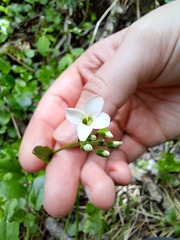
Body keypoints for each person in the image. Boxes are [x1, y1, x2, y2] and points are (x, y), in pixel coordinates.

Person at [19, 0, 180, 218]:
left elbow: (93, 111)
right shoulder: (84, 119)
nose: (85, 122)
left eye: (86, 121)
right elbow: (80, 118)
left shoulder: (93, 118)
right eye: (85, 121)